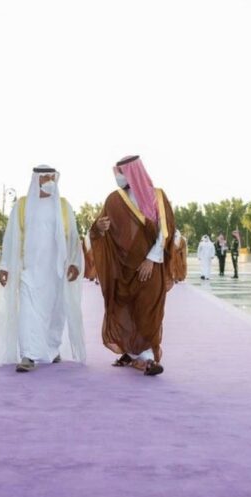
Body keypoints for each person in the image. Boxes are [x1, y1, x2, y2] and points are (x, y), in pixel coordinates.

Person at [0, 165, 84, 372]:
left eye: (52, 176)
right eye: (45, 177)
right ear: (36, 179)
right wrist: (5, 266)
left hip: (56, 272)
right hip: (29, 271)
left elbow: (73, 238)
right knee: (28, 313)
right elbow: (11, 238)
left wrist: (75, 263)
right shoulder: (22, 206)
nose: (50, 180)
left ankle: (51, 348)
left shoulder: (63, 206)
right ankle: (28, 355)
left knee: (55, 313)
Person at [91, 155, 175, 376]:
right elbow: (99, 232)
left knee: (148, 309)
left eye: (120, 173)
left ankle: (147, 356)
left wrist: (151, 259)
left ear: (132, 172)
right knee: (125, 310)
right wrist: (99, 227)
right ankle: (134, 352)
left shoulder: (157, 196)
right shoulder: (114, 200)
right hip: (124, 269)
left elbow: (164, 232)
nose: (117, 178)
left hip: (150, 266)